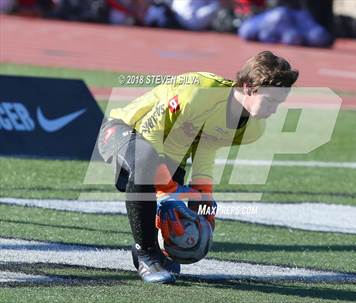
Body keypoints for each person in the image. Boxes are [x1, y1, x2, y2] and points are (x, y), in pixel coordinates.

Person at [97, 51, 299, 284]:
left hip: (171, 155)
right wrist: (165, 188)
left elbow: (206, 148)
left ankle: (149, 245)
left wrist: (202, 194)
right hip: (125, 130)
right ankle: (146, 254)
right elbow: (150, 131)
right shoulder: (198, 90)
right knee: (146, 160)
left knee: (177, 244)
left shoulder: (253, 129)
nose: (274, 109)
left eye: (279, 103)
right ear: (247, 87)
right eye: (271, 100)